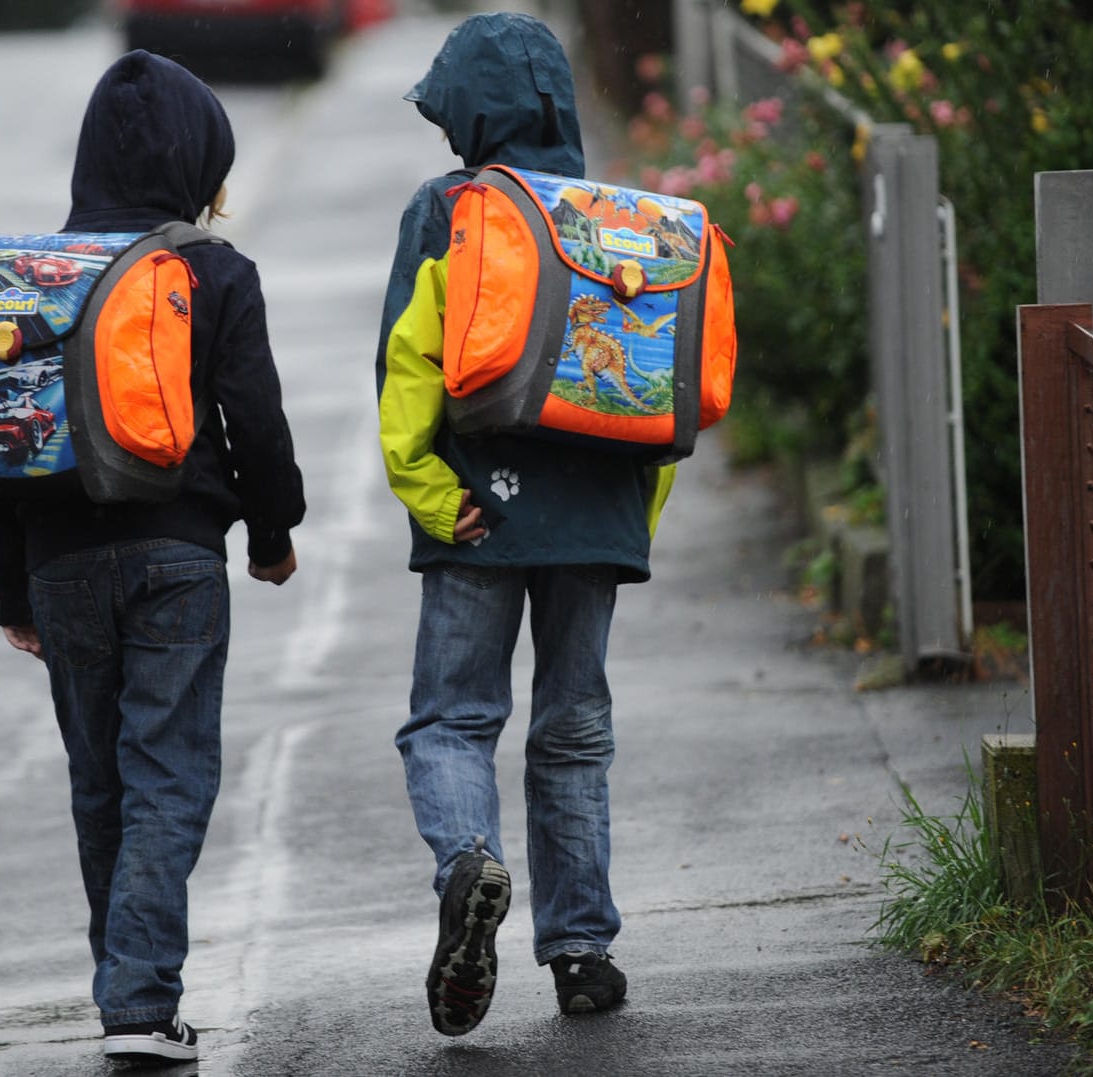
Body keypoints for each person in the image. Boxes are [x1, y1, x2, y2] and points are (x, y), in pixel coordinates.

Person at [0, 50, 304, 1066]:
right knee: (169, 775)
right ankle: (138, 998)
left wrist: (8, 584)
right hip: (178, 556)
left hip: (62, 564)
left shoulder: (33, 282)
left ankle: (127, 988)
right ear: (202, 162)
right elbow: (256, 418)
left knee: (100, 784)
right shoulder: (213, 271)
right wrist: (271, 530)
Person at [375, 12, 673, 1037]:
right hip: (598, 514)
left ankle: (470, 862)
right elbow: (661, 395)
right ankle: (583, 951)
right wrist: (634, 516)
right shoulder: (620, 218)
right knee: (575, 732)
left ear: (473, 112)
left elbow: (409, 360)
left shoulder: (451, 208)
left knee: (454, 718)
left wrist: (422, 486)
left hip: (477, 509)